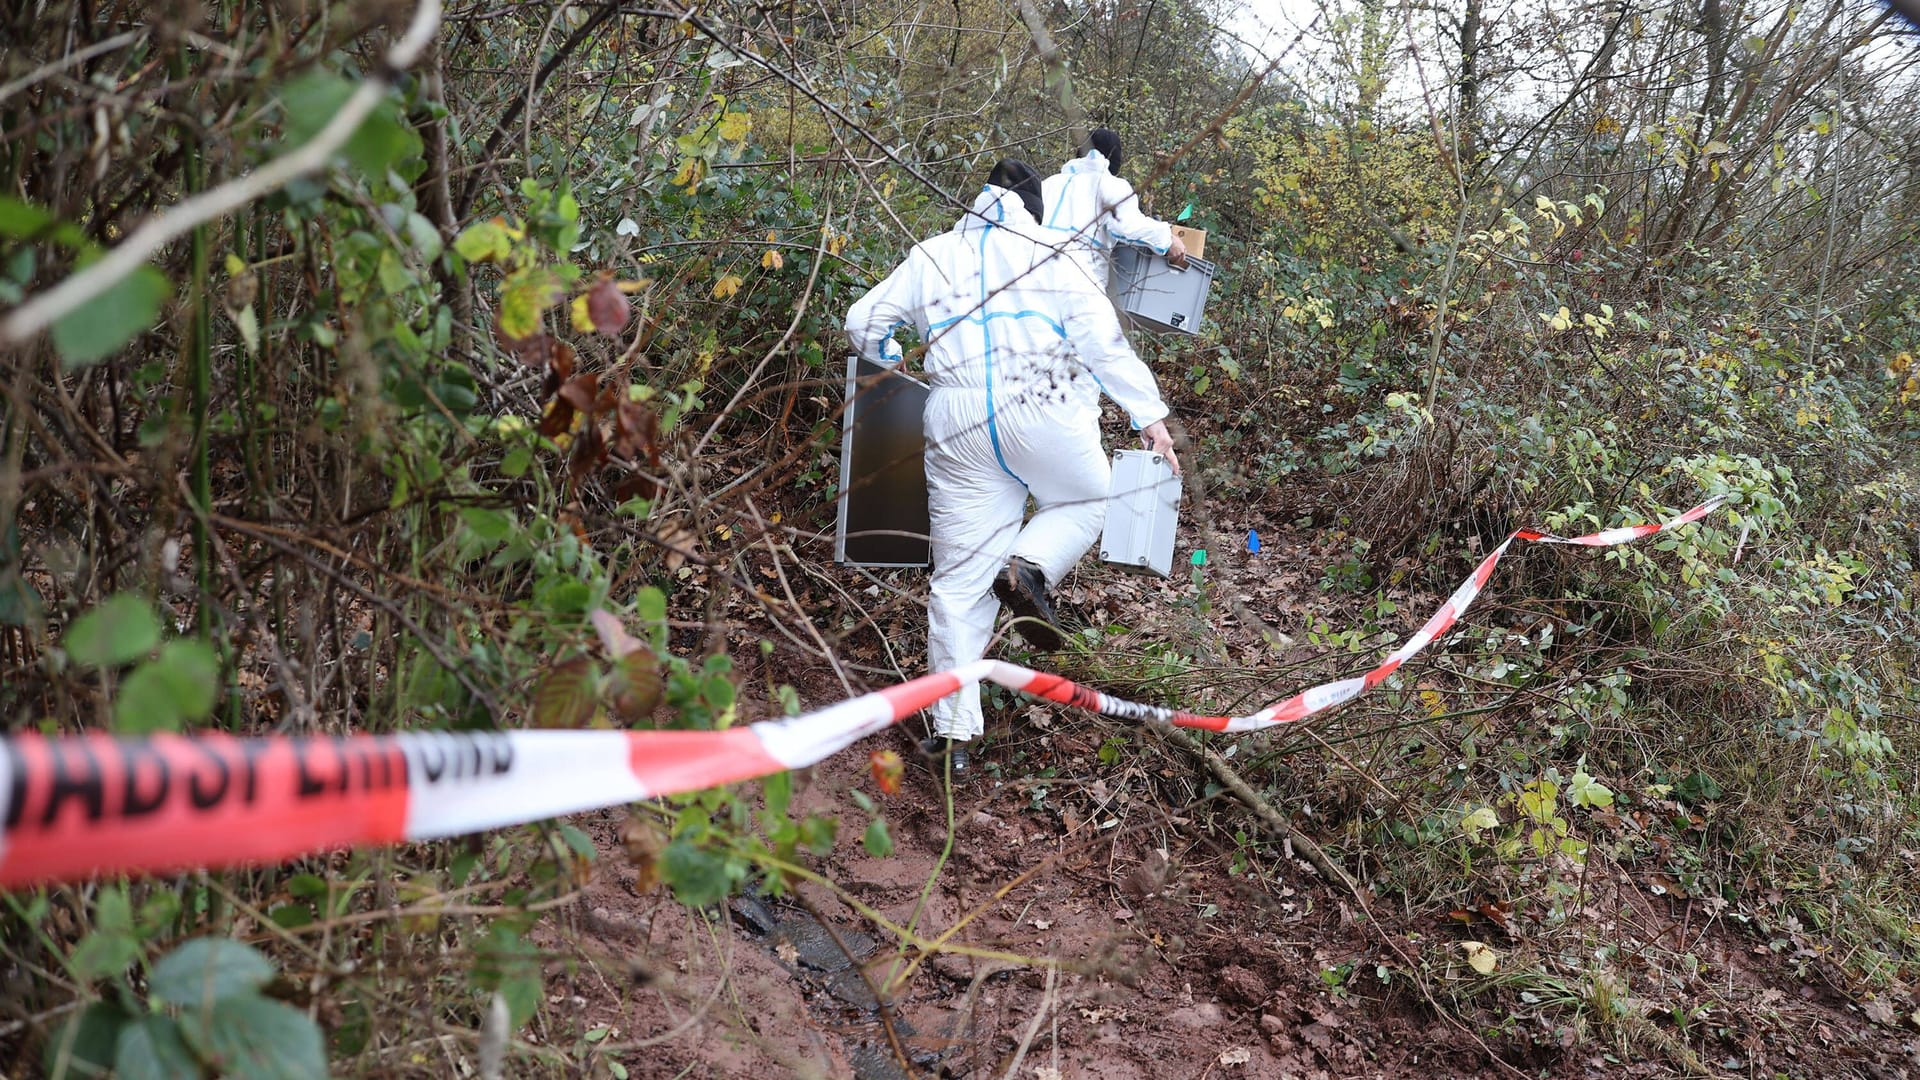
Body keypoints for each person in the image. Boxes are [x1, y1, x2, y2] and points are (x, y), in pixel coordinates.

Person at [844, 160, 1182, 772]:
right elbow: (1102, 340)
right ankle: (1029, 568)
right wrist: (1149, 417)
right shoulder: (1055, 250)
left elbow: (862, 322)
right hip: (1042, 405)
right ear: (1031, 206)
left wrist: (893, 360)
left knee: (958, 580)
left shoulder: (933, 253)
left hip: (957, 416)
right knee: (1092, 500)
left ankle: (951, 737)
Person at [1040, 128, 1187, 292]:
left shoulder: (1049, 184)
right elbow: (1127, 227)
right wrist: (1168, 239)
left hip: (1033, 278)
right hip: (1076, 284)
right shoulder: (1111, 186)